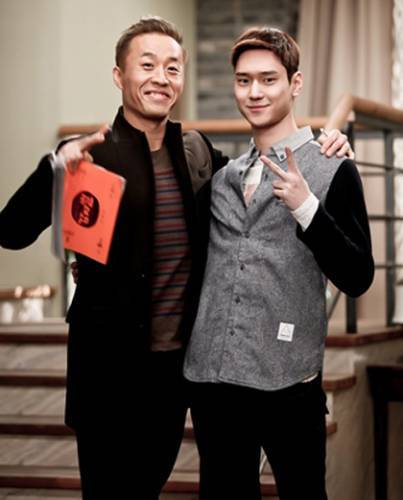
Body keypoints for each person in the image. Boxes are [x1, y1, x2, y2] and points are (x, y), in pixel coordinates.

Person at [0, 16, 352, 499]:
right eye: (147, 65)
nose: (160, 78)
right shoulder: (87, 156)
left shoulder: (197, 153)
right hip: (107, 376)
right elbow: (11, 232)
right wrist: (54, 171)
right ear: (119, 75)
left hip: (174, 376)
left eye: (172, 67)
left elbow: (252, 194)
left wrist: (327, 143)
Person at [183, 27, 374, 500]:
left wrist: (307, 207)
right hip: (213, 378)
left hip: (289, 381)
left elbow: (357, 276)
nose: (255, 92)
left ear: (295, 83)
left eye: (268, 79)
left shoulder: (333, 168)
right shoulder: (223, 177)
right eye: (244, 80)